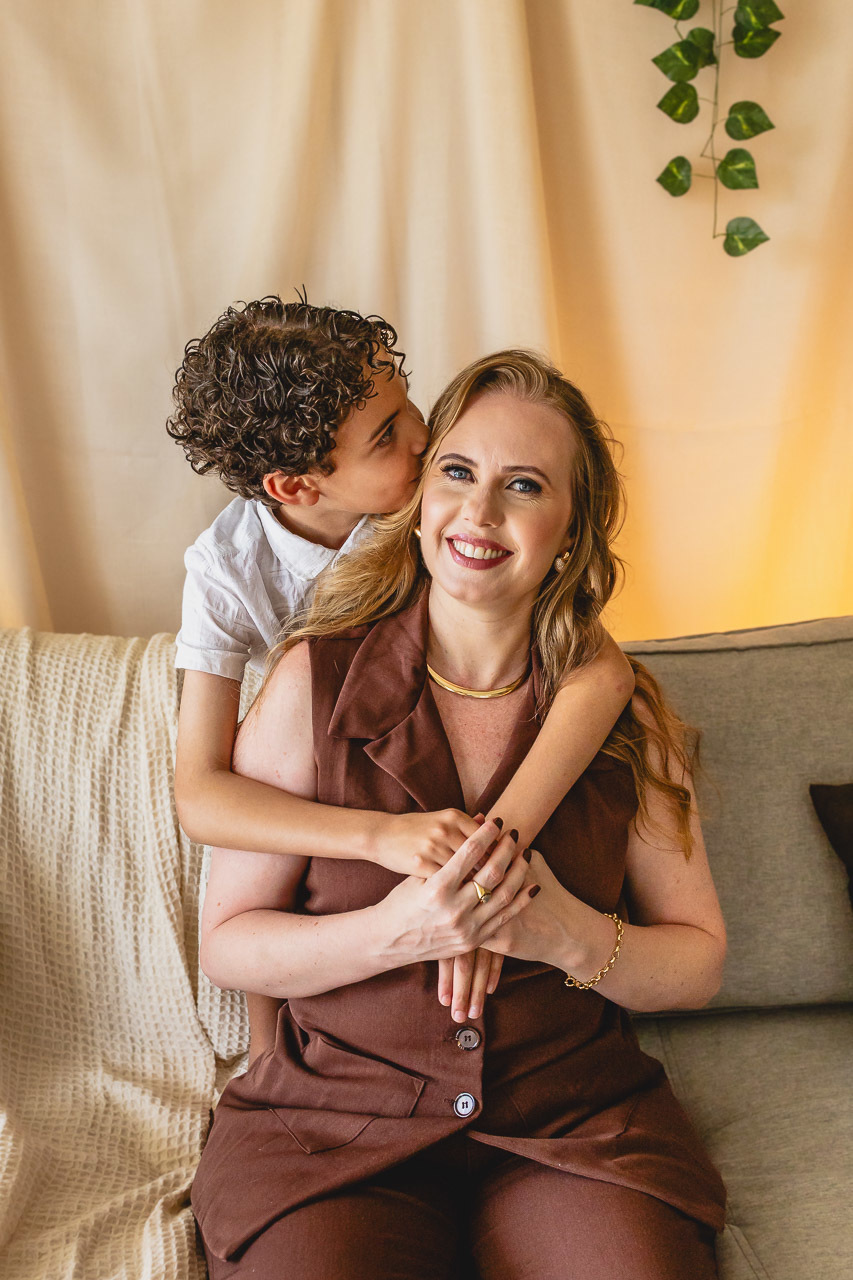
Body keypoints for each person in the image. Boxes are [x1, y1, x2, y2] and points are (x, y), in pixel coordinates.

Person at [191, 349, 728, 1278]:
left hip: (573, 1130)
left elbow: (697, 961)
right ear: (419, 496)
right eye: (456, 472)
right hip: (333, 1133)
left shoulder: (622, 712)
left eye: (523, 486)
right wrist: (395, 932)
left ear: (570, 526)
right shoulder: (310, 683)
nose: (479, 514)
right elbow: (228, 943)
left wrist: (567, 937)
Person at [168, 298, 636, 1048]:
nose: (423, 436)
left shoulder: (435, 508)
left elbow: (605, 674)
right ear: (296, 487)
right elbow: (203, 795)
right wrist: (377, 838)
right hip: (317, 775)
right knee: (259, 827)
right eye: (387, 435)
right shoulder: (226, 571)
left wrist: (490, 862)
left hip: (426, 749)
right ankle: (265, 1050)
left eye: (406, 400)